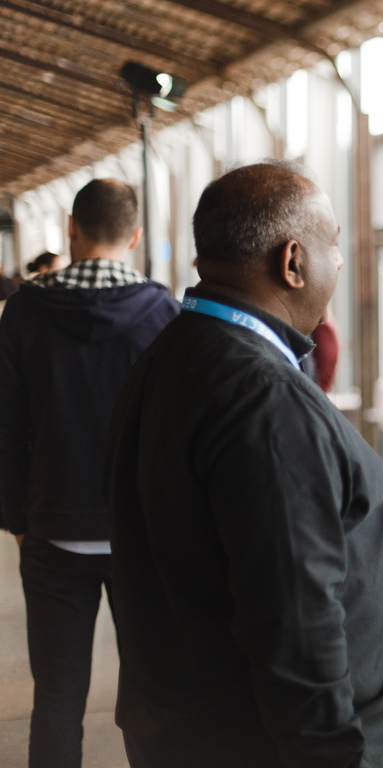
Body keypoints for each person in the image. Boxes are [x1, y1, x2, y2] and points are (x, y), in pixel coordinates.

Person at [104, 161, 383, 767]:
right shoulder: (264, 401)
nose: (339, 262)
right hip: (262, 743)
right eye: (334, 245)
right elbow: (295, 627)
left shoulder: (170, 356)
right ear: (293, 261)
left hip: (189, 725)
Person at [0, 179, 180, 768]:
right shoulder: (163, 313)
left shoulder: (25, 310)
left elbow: (6, 424)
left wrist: (16, 517)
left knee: (57, 699)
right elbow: (174, 432)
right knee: (155, 697)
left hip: (52, 530)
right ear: (135, 236)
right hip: (139, 537)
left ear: (71, 227)